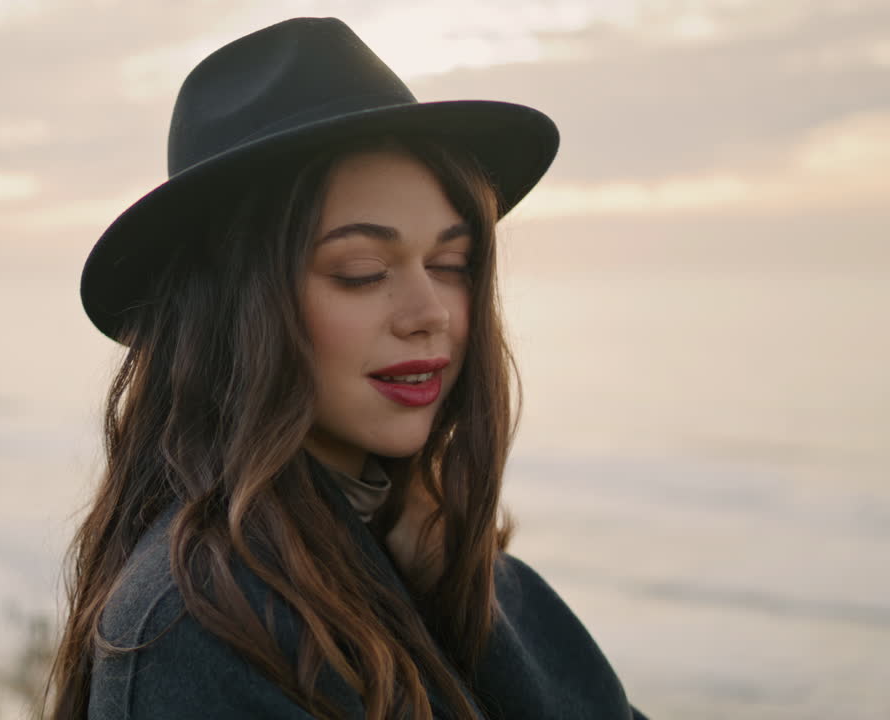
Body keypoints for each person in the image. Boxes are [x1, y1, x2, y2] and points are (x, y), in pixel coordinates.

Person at [48, 16, 649, 720]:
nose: (430, 312)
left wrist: (459, 588)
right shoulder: (198, 629)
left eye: (451, 264)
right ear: (236, 314)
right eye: (362, 271)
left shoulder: (421, 547)